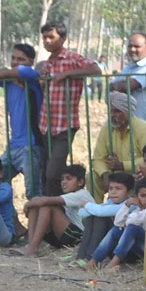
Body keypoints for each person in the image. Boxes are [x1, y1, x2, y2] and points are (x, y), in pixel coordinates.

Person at [35, 20, 103, 200]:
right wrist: (43, 81)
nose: (47, 41)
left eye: (51, 37)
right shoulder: (46, 64)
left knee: (52, 172)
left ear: (63, 39)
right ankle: (56, 206)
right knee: (48, 170)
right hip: (46, 124)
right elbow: (45, 90)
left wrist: (67, 74)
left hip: (65, 124)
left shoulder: (72, 58)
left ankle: (58, 203)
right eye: (44, 37)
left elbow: (96, 69)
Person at [0, 42, 43, 192]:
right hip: (13, 145)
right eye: (13, 58)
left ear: (31, 62)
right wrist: (7, 74)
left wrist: (3, 73)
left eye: (21, 59)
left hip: (31, 146)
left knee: (33, 191)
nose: (15, 62)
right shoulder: (8, 82)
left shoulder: (32, 80)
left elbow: (24, 72)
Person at [17, 164, 91, 256]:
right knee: (36, 206)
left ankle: (33, 248)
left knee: (48, 206)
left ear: (80, 182)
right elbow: (39, 201)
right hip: (67, 237)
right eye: (62, 179)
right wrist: (32, 204)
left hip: (80, 238)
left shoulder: (82, 194)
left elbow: (45, 201)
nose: (64, 182)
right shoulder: (69, 195)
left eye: (68, 179)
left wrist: (27, 204)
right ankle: (31, 245)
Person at [88, 94, 146, 198]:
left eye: (117, 111)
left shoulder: (143, 128)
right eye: (111, 111)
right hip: (114, 174)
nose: (112, 115)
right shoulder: (107, 129)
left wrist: (122, 165)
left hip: (135, 173)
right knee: (92, 177)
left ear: (128, 112)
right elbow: (98, 158)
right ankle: (94, 207)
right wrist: (105, 175)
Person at [90, 178, 146, 272]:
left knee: (132, 228)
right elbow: (118, 223)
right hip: (141, 248)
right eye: (143, 196)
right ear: (137, 197)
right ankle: (93, 261)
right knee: (117, 229)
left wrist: (126, 220)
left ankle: (113, 263)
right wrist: (127, 205)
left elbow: (131, 223)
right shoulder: (138, 209)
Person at [109, 32, 146, 122]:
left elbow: (128, 86)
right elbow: (110, 87)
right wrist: (118, 86)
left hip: (142, 121)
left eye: (137, 46)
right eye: (130, 46)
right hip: (123, 121)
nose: (132, 49)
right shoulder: (129, 67)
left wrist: (120, 86)